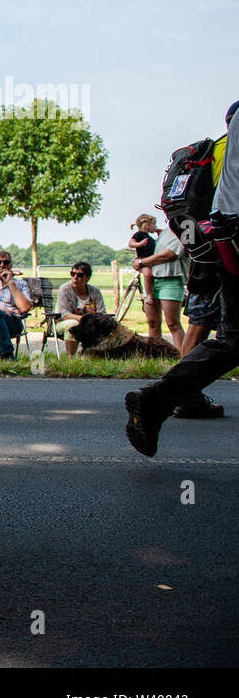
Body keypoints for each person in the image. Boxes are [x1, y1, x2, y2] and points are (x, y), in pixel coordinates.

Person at [126, 99, 239, 455]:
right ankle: (161, 399)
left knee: (233, 338)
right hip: (231, 240)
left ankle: (158, 399)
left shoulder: (220, 146)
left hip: (223, 245)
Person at [132, 225, 185, 352]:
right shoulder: (163, 233)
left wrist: (142, 262)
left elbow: (169, 255)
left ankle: (181, 355)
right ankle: (156, 354)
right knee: (152, 322)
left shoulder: (183, 231)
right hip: (151, 280)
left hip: (170, 279)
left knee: (172, 322)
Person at [53, 261, 106, 356]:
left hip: (90, 324)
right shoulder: (64, 290)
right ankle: (70, 358)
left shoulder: (95, 292)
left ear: (87, 278)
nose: (75, 278)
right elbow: (64, 315)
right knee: (73, 324)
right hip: (62, 323)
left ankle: (97, 356)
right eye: (72, 274)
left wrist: (92, 321)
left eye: (80, 275)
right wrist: (85, 319)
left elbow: (101, 313)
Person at [127, 215, 158, 309]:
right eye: (154, 224)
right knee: (147, 274)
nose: (156, 227)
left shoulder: (149, 236)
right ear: (147, 225)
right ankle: (148, 295)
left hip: (151, 260)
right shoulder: (139, 234)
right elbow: (131, 243)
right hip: (143, 261)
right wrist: (139, 244)